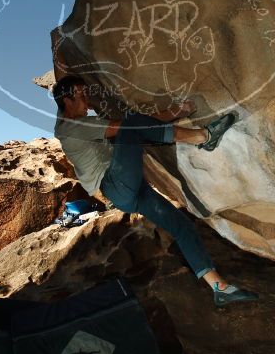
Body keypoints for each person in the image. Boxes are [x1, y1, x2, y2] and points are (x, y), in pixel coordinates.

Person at [53, 76, 258, 307]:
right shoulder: (74, 127)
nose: (88, 103)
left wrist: (173, 113)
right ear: (66, 99)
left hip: (131, 191)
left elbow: (140, 125)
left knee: (182, 226)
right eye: (81, 96)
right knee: (131, 125)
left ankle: (220, 289)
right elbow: (131, 127)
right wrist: (177, 111)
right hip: (115, 185)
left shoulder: (71, 124)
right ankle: (205, 137)